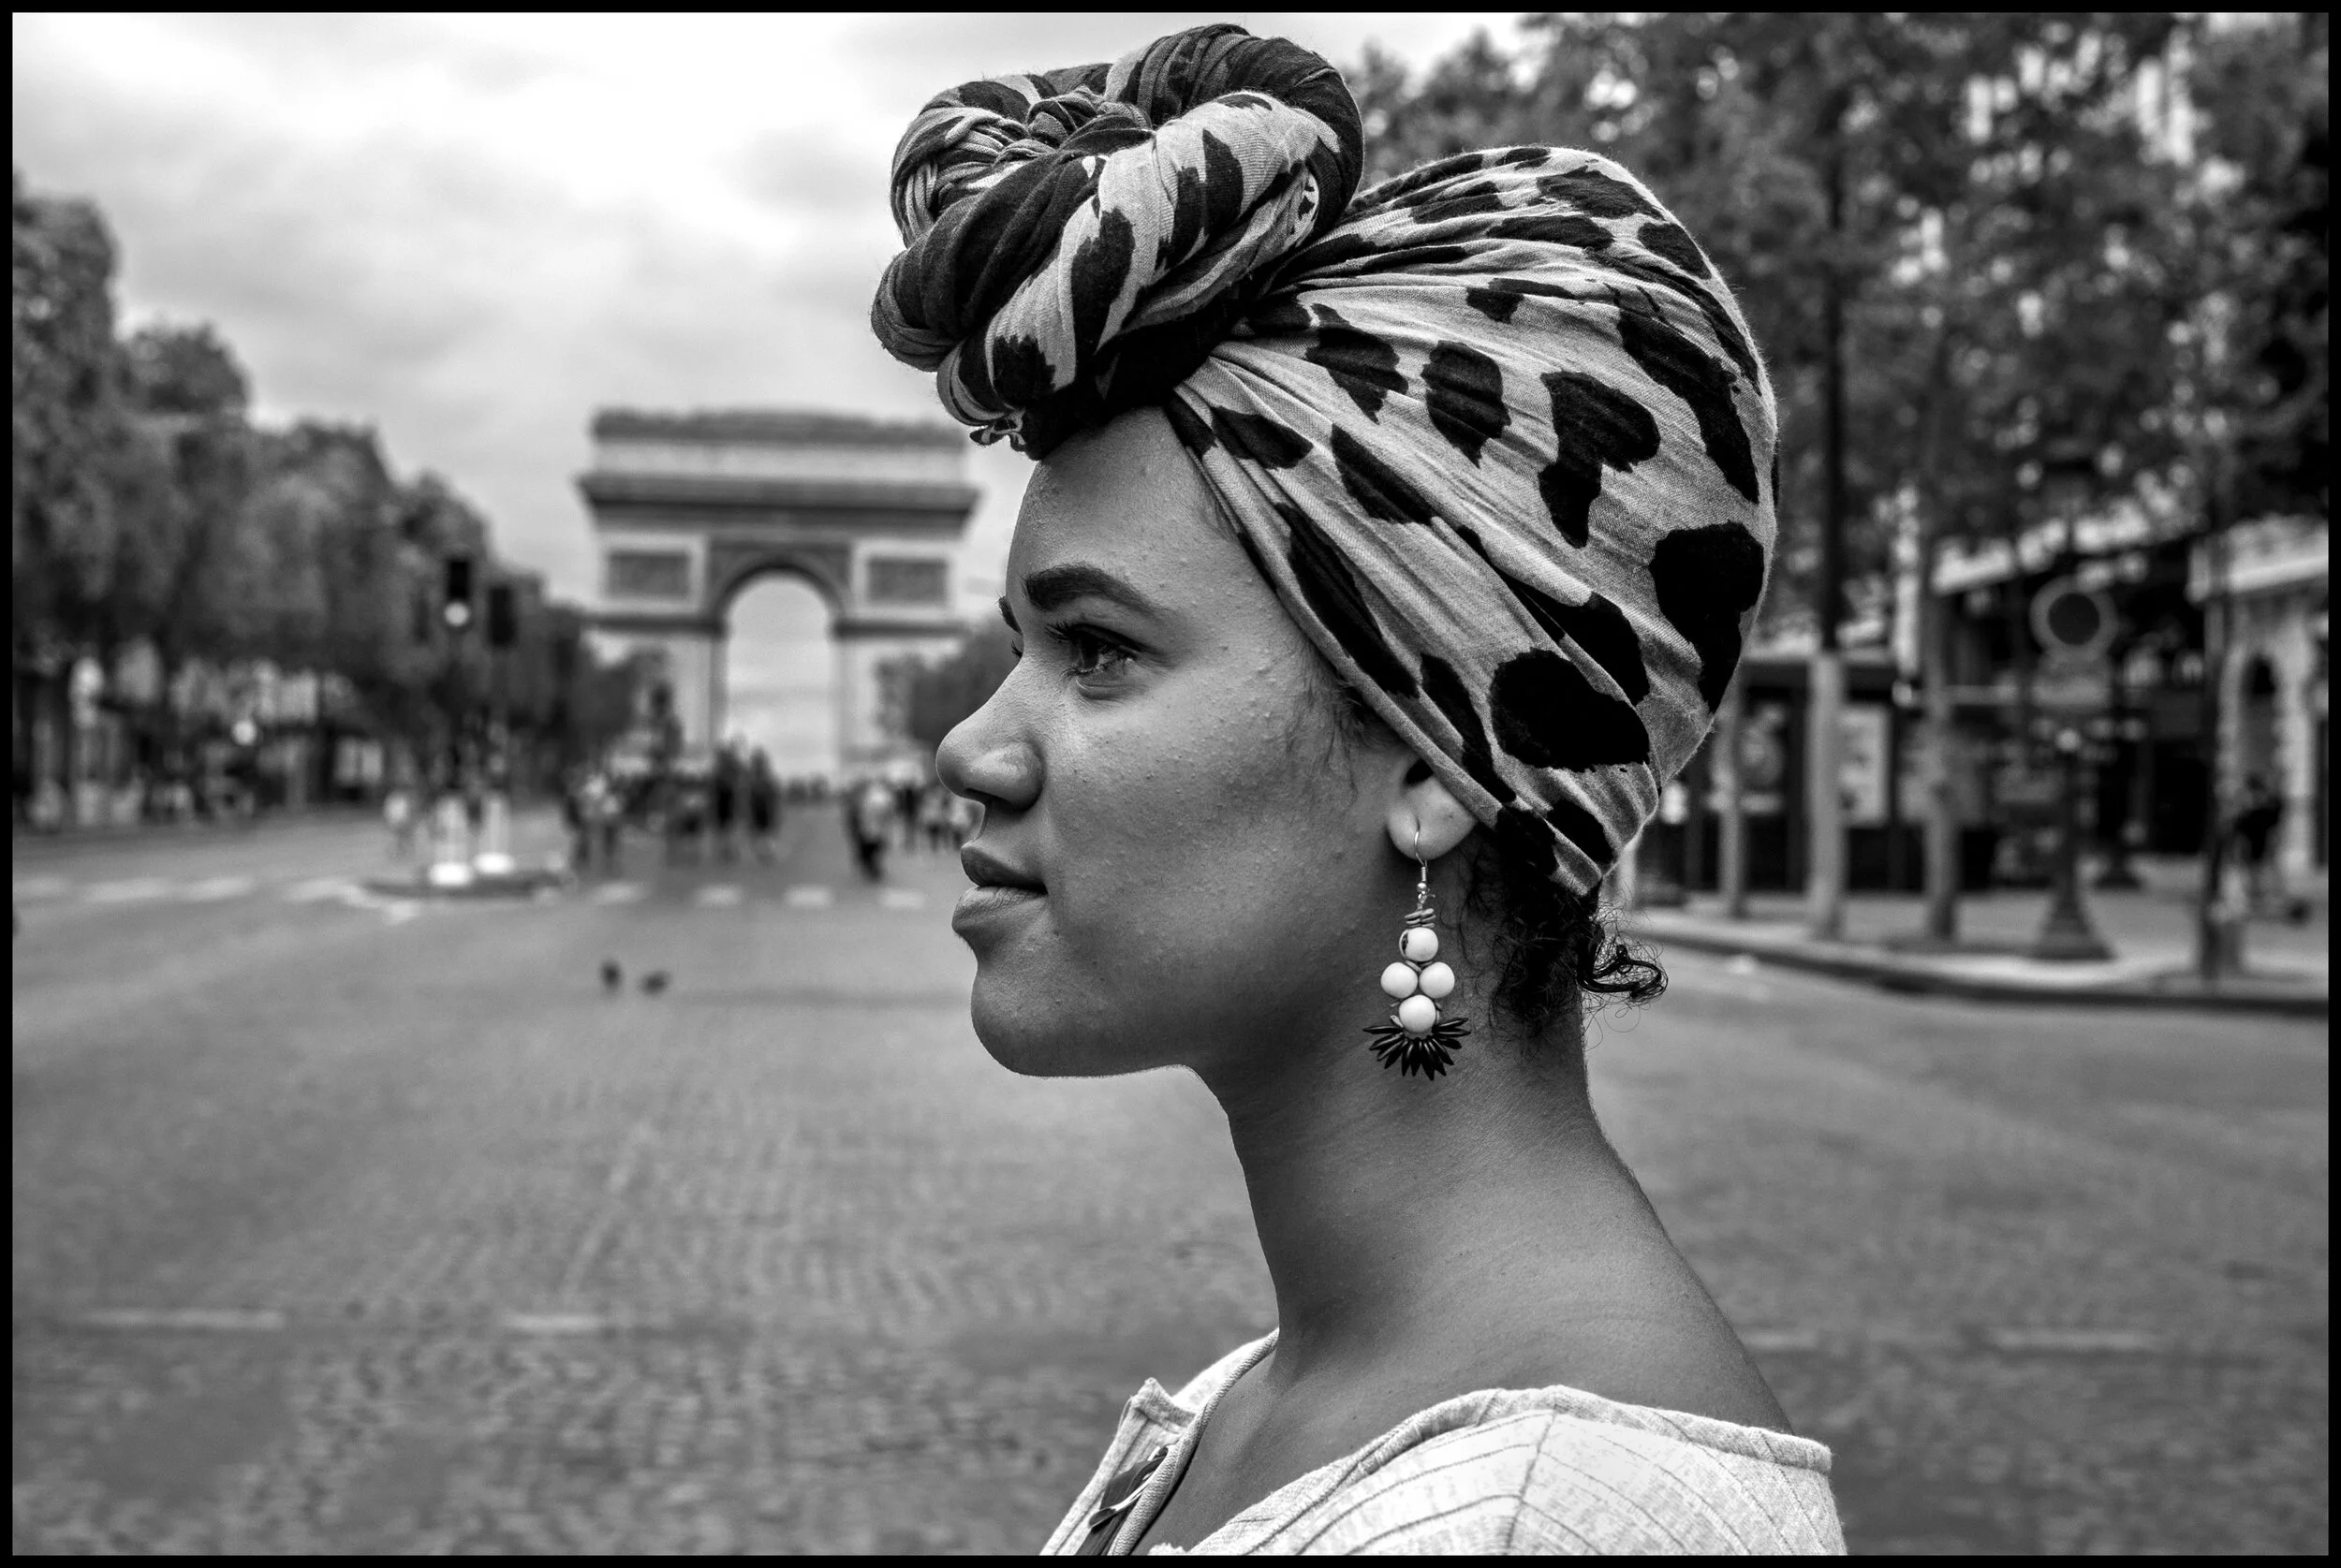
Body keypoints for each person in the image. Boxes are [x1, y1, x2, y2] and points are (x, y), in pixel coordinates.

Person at [878, 25, 1841, 1556]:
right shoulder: (1275, 1406)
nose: (970, 751)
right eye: (1022, 645)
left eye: (1101, 650)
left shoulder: (1551, 1529)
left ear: (1428, 759)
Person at [2232, 773, 2286, 913]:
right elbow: (2240, 827)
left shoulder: (2264, 807)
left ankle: (2261, 898)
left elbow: (2273, 822)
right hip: (2251, 844)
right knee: (2252, 872)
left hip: (2260, 843)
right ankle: (2254, 899)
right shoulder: (2250, 808)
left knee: (2261, 871)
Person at [847, 777, 893, 882]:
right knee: (869, 849)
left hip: (874, 828)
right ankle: (870, 867)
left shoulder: (871, 799)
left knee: (876, 848)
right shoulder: (860, 800)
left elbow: (887, 813)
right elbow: (854, 817)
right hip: (866, 828)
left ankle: (873, 867)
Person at [746, 748, 782, 865]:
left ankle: (767, 852)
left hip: (765, 807)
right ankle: (763, 853)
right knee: (758, 832)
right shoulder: (752, 777)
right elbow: (747, 794)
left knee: (766, 832)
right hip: (756, 808)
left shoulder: (767, 778)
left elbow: (774, 794)